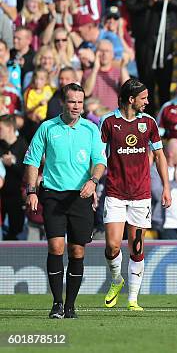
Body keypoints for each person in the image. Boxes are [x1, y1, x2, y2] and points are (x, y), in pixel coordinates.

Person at [24, 83, 107, 319]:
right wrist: (32, 191)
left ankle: (70, 305)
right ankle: (57, 303)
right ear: (63, 102)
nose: (76, 106)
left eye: (80, 102)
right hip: (52, 194)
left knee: (77, 250)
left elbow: (100, 161)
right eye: (72, 101)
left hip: (80, 196)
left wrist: (93, 180)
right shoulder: (47, 128)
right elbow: (32, 161)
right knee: (56, 247)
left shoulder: (91, 129)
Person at [99, 78, 171, 311]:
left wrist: (166, 187)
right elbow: (99, 156)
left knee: (137, 247)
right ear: (131, 99)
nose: (148, 102)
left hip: (141, 194)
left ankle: (133, 299)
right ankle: (116, 279)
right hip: (115, 192)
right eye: (144, 98)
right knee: (112, 245)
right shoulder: (108, 122)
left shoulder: (149, 123)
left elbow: (159, 156)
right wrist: (93, 183)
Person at [126, 0, 177, 113]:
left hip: (164, 37)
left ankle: (165, 119)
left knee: (165, 82)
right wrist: (149, 1)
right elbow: (131, 6)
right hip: (144, 37)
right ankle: (147, 118)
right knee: (146, 81)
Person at [0, 114, 27, 240]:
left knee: (15, 232)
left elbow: (26, 173)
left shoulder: (22, 145)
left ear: (10, 127)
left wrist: (13, 163)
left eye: (1, 128)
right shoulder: (0, 145)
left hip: (16, 196)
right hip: (1, 197)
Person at [82, 39, 130, 111]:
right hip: (95, 116)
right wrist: (95, 69)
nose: (104, 54)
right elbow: (86, 92)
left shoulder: (119, 72)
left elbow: (128, 91)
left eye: (107, 51)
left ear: (112, 54)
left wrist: (123, 67)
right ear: (96, 53)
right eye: (101, 51)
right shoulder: (88, 73)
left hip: (114, 115)